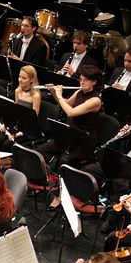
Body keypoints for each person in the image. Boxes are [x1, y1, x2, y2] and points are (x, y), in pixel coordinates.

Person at [39, 66, 103, 203]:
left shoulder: (95, 100)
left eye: (85, 80)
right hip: (71, 135)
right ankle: (44, 182)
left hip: (83, 141)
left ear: (94, 82)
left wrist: (60, 95)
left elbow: (71, 112)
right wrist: (54, 93)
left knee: (65, 163)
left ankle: (61, 196)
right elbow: (66, 104)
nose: (82, 82)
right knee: (42, 150)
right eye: (81, 79)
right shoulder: (79, 91)